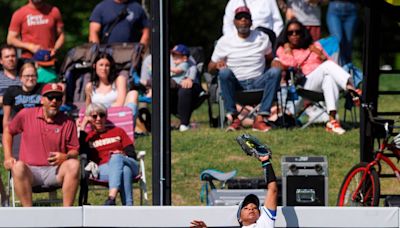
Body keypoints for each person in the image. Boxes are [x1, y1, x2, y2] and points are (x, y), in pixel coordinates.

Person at [275, 19, 358, 135]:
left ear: (302, 33)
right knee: (327, 68)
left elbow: (332, 65)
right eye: (290, 33)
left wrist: (320, 54)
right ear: (286, 35)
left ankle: (332, 121)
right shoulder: (282, 49)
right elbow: (291, 65)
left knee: (329, 77)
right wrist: (289, 52)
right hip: (305, 84)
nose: (294, 35)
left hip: (322, 82)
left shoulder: (315, 46)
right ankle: (351, 87)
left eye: (297, 32)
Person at [2, 83, 80, 207]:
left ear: (61, 101)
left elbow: (75, 150)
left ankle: (67, 213)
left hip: (55, 171)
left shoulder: (68, 121)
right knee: (18, 167)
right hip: (30, 171)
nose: (54, 101)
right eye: (50, 97)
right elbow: (8, 131)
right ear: (42, 99)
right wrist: (7, 157)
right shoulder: (26, 114)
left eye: (58, 98)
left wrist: (65, 157)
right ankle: (28, 213)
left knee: (74, 165)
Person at [209, 6, 282, 132]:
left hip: (258, 82)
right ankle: (234, 118)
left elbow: (271, 58)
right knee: (224, 73)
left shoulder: (262, 37)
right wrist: (216, 66)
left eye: (246, 18)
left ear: (251, 21)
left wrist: (275, 61)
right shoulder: (225, 41)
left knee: (275, 72)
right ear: (234, 22)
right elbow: (210, 68)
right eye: (239, 18)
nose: (243, 20)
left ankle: (260, 118)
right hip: (236, 85)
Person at [190, 154, 278, 227]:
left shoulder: (265, 222)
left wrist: (265, 161)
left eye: (255, 208)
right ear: (239, 218)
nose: (251, 208)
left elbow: (273, 190)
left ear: (260, 215)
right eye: (246, 208)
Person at [79, 103, 139, 206]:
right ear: (90, 119)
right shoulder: (89, 138)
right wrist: (83, 124)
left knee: (116, 158)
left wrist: (121, 155)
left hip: (128, 162)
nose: (98, 119)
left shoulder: (118, 131)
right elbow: (81, 152)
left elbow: (132, 154)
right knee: (125, 171)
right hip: (104, 168)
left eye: (101, 115)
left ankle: (111, 198)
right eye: (94, 116)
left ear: (106, 117)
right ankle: (128, 208)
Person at [326, 0, 358, 65]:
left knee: (348, 45)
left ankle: (347, 69)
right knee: (337, 41)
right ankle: (338, 68)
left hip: (351, 8)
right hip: (335, 8)